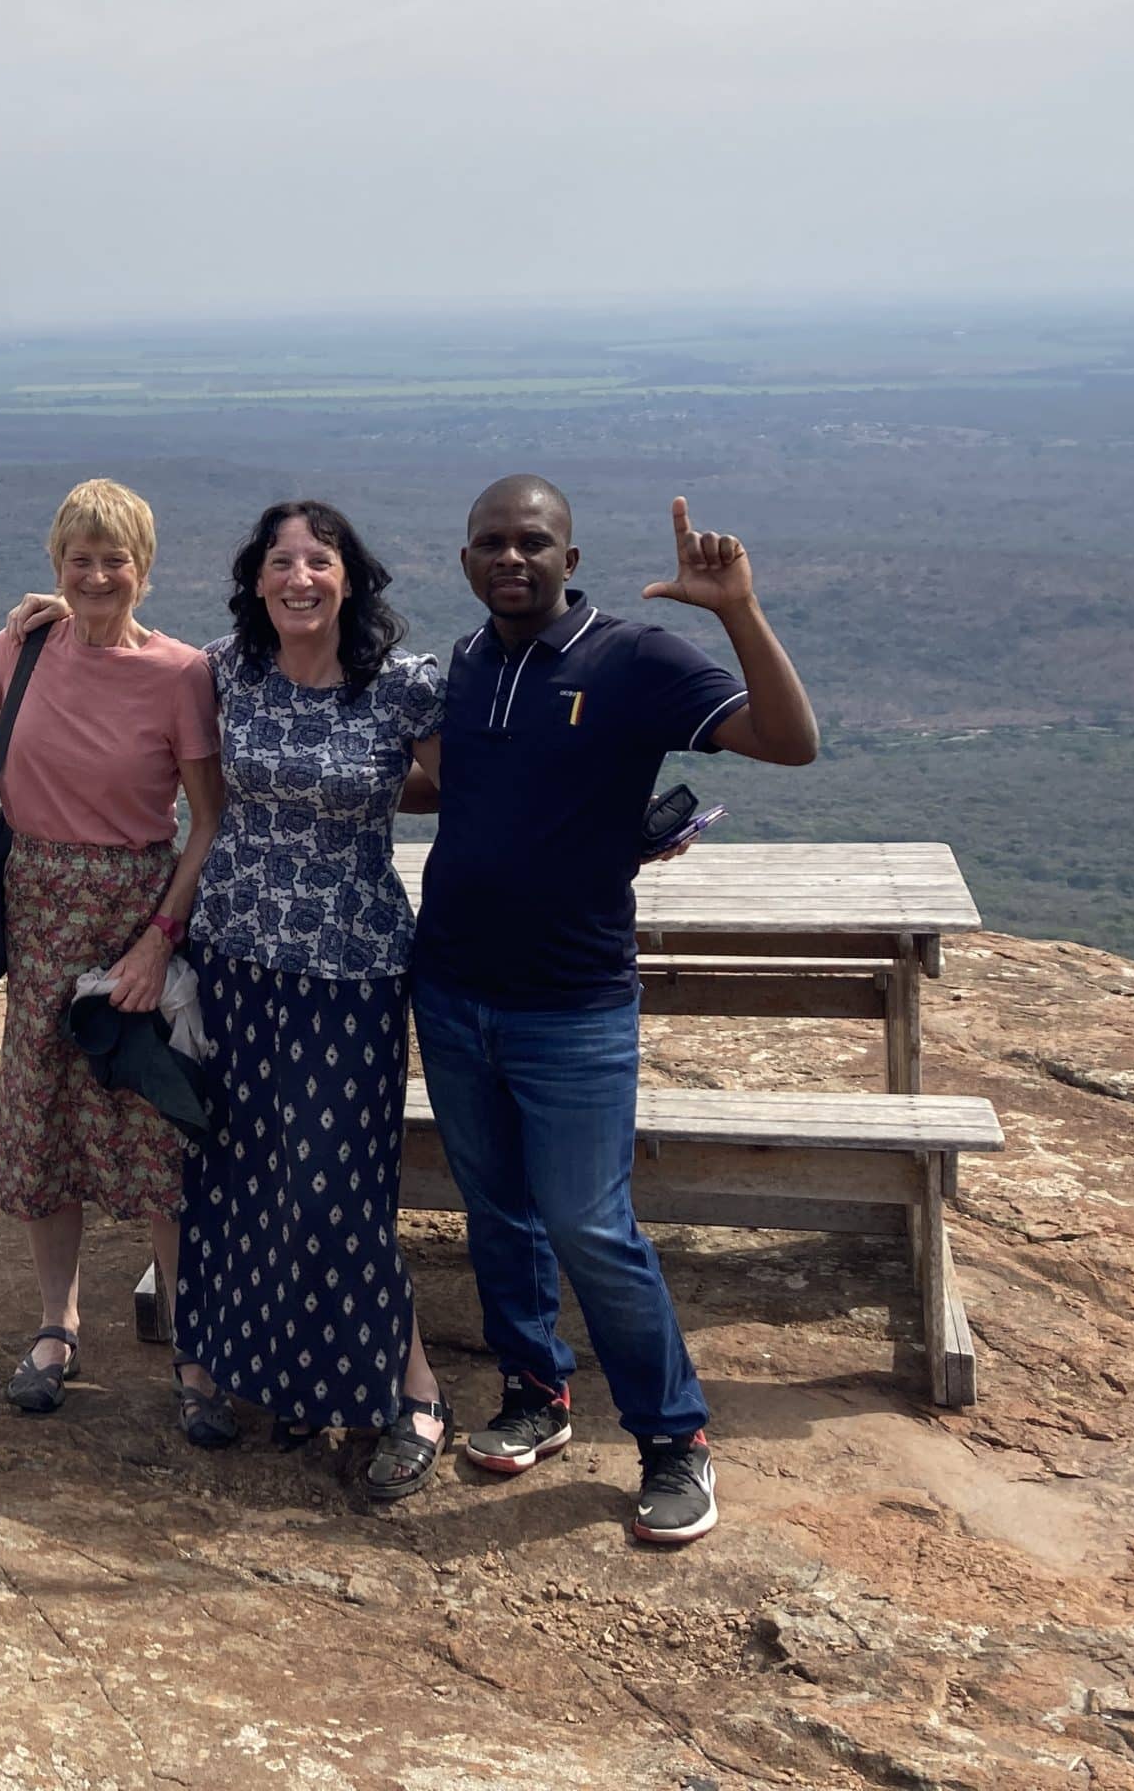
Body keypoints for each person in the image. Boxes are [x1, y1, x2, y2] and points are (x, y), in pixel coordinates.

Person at [411, 479, 819, 1547]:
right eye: (491, 541)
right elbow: (458, 785)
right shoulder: (464, 666)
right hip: (452, 988)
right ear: (466, 561)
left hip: (572, 1004)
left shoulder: (633, 657)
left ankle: (674, 1438)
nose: (512, 557)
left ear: (569, 554)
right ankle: (535, 1394)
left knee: (589, 1224)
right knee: (495, 1209)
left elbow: (789, 740)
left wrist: (735, 608)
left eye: (532, 542)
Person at [174, 500, 454, 1489]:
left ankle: (412, 1388)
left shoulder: (401, 690)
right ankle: (240, 1366)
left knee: (337, 1183)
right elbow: (112, 672)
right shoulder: (222, 671)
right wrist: (44, 616)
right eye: (280, 561)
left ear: (349, 578)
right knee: (238, 1170)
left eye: (319, 560)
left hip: (353, 971)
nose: (299, 576)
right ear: (256, 581)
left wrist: (624, 821)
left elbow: (506, 778)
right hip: (236, 961)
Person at [0, 481, 223, 1427]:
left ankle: (194, 1344)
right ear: (57, 564)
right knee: (48, 1110)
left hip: (136, 905)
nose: (98, 574)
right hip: (38, 905)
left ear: (144, 568)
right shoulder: (28, 647)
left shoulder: (181, 672)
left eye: (115, 559)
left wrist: (160, 941)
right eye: (81, 558)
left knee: (156, 1112)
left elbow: (208, 822)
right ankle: (56, 1324)